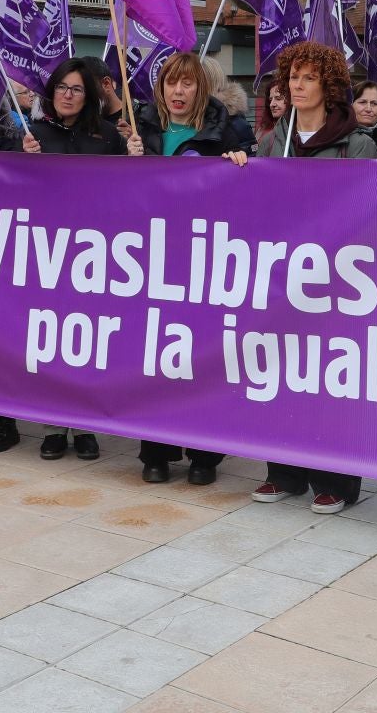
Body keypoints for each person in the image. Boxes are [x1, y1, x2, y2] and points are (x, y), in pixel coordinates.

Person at [0, 57, 143, 459]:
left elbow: (127, 195)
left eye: (77, 89)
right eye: (62, 87)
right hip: (47, 256)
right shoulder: (32, 134)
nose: (68, 95)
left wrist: (135, 162)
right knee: (49, 344)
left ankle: (85, 426)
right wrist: (20, 159)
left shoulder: (109, 136)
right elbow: (3, 187)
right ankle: (54, 427)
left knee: (86, 345)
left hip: (94, 256)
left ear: (88, 95)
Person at [252, 40, 376, 515]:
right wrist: (241, 170)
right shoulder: (272, 140)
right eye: (292, 77)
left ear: (328, 85)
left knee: (332, 381)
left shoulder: (357, 143)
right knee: (283, 374)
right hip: (287, 280)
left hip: (338, 282)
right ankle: (283, 472)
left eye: (307, 77)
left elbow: (369, 209)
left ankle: (336, 480)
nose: (297, 85)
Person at [133, 52, 252, 484]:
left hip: (204, 261)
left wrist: (241, 168)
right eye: (171, 83)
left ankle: (204, 452)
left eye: (187, 84)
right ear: (161, 88)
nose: (178, 92)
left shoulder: (228, 130)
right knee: (155, 356)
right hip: (148, 261)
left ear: (201, 88)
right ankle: (154, 449)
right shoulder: (142, 128)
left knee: (202, 357)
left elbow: (248, 197)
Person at [350, 80, 377, 153]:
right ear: (350, 105)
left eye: (374, 103)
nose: (368, 109)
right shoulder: (339, 134)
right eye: (362, 102)